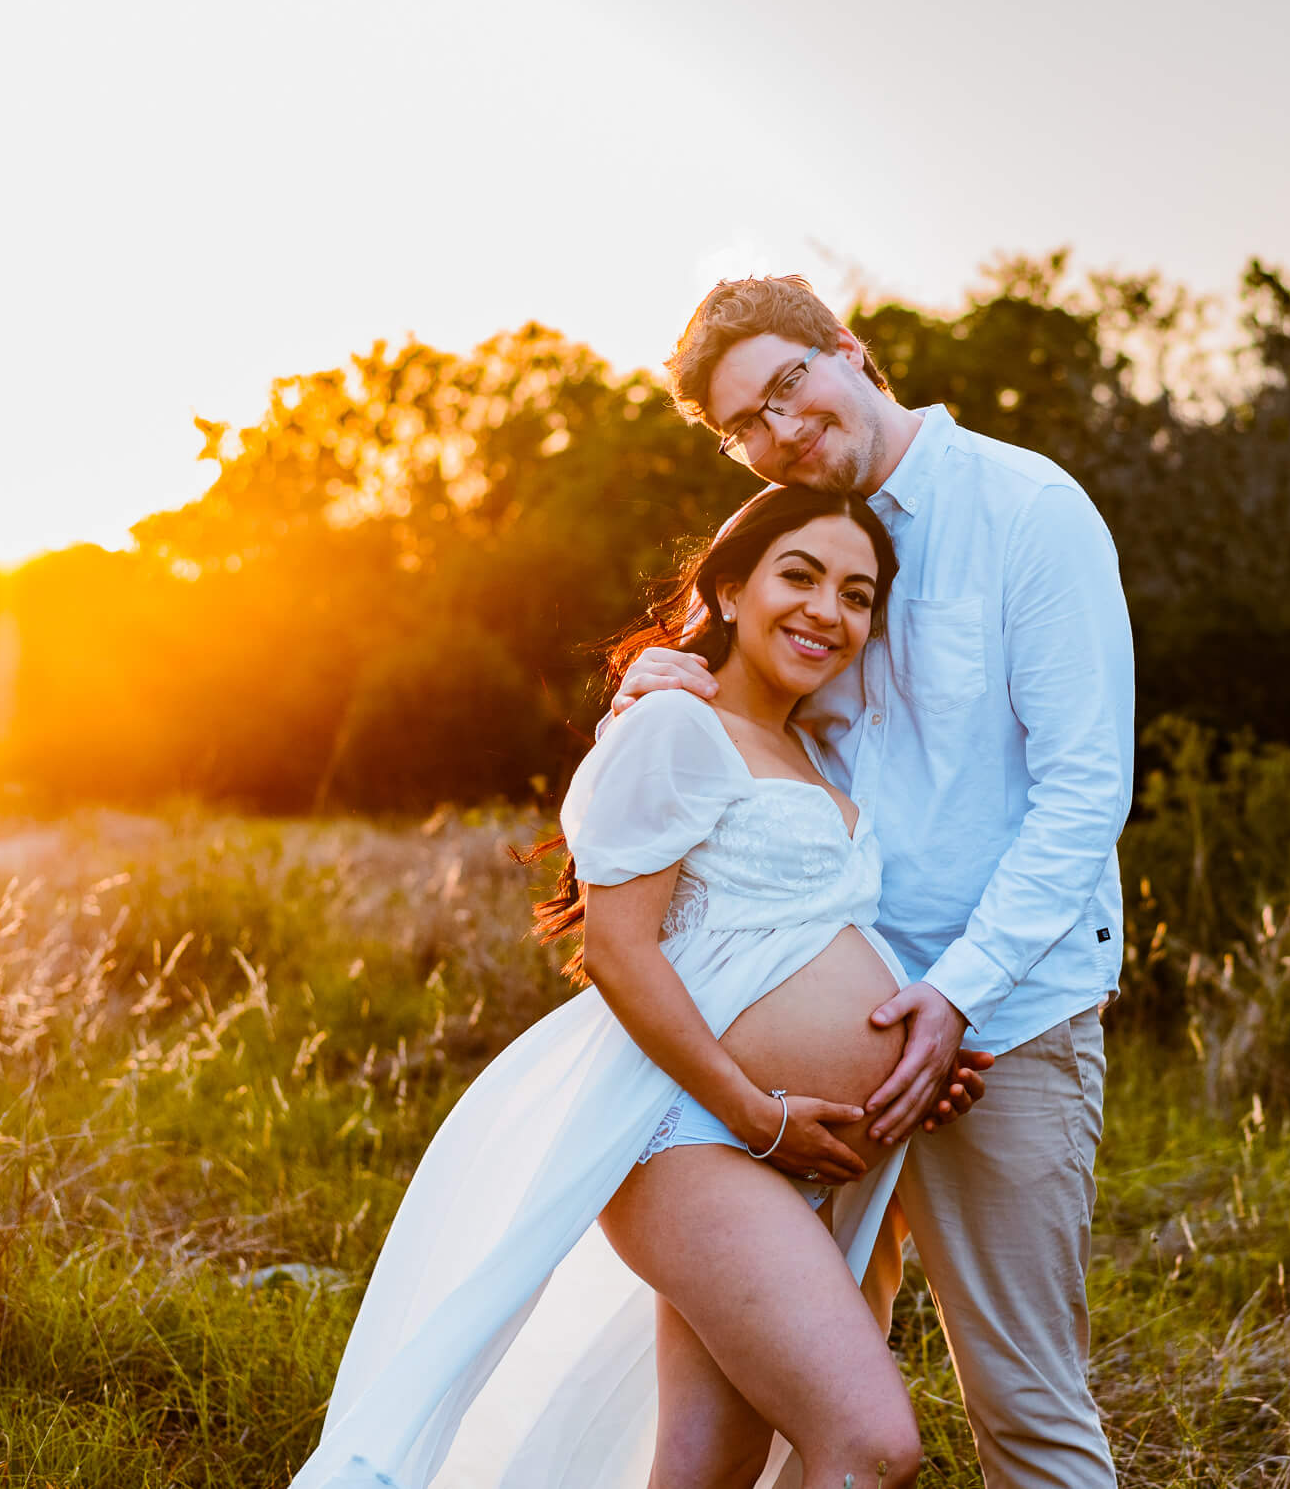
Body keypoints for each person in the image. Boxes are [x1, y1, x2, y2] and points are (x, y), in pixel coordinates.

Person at [293, 485, 989, 1489]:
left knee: (711, 1465)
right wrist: (757, 1112)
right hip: (695, 1136)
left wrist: (916, 1065)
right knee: (874, 1446)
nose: (826, 611)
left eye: (856, 593)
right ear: (733, 589)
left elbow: (796, 943)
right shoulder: (676, 726)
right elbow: (618, 950)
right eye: (799, 576)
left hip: (771, 1149)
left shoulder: (812, 758)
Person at [613, 275, 1135, 1489]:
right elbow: (696, 700)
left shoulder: (1025, 508)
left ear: (850, 352)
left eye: (788, 387)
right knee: (805, 1414)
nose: (778, 432)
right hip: (815, 1069)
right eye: (744, 424)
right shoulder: (795, 540)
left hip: (998, 1029)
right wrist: (645, 683)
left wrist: (958, 992)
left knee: (1026, 1410)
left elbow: (1081, 793)